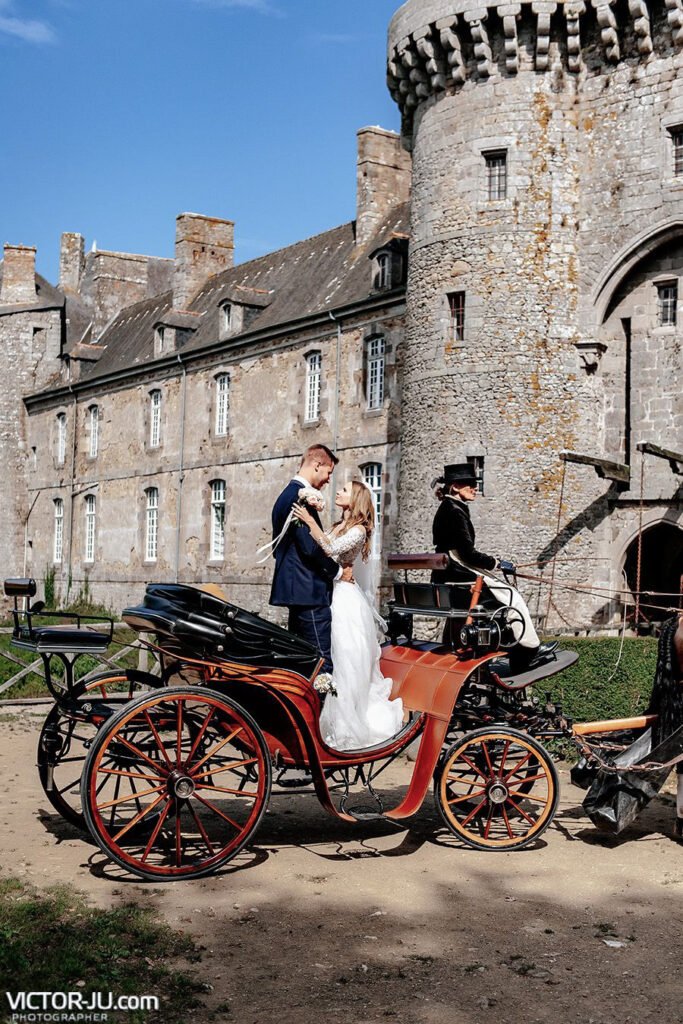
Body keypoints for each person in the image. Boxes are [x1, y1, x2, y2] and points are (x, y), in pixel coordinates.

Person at [292, 479, 404, 750]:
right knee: (332, 656)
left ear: (355, 500)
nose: (338, 492)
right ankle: (324, 721)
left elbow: (329, 550)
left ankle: (344, 725)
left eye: (344, 490)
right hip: (331, 591)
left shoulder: (358, 531)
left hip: (344, 598)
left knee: (344, 657)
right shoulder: (339, 526)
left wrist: (309, 521)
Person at [431, 463, 555, 671]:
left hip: (448, 573)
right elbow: (468, 553)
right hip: (460, 573)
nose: (475, 488)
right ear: (455, 487)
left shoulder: (447, 508)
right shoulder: (454, 511)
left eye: (475, 484)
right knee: (511, 595)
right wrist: (496, 563)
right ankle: (528, 651)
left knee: (504, 594)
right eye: (470, 484)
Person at [270, 444, 350, 673]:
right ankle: (322, 709)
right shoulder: (300, 498)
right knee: (321, 661)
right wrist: (337, 572)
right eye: (328, 473)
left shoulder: (284, 496)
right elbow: (311, 548)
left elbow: (279, 547)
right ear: (317, 465)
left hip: (296, 590)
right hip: (310, 593)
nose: (327, 480)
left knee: (301, 661)